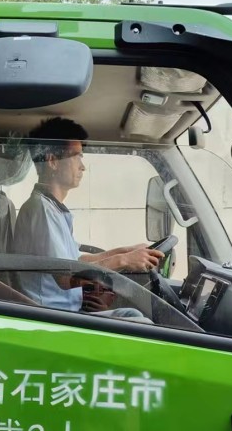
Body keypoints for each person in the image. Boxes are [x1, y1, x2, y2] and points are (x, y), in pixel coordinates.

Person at [13, 117, 163, 319]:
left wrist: (127, 251)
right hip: (54, 318)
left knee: (131, 314)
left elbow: (77, 260)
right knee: (138, 321)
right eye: (76, 157)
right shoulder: (41, 211)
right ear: (53, 161)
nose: (82, 167)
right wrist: (124, 260)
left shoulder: (51, 208)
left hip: (68, 311)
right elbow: (65, 278)